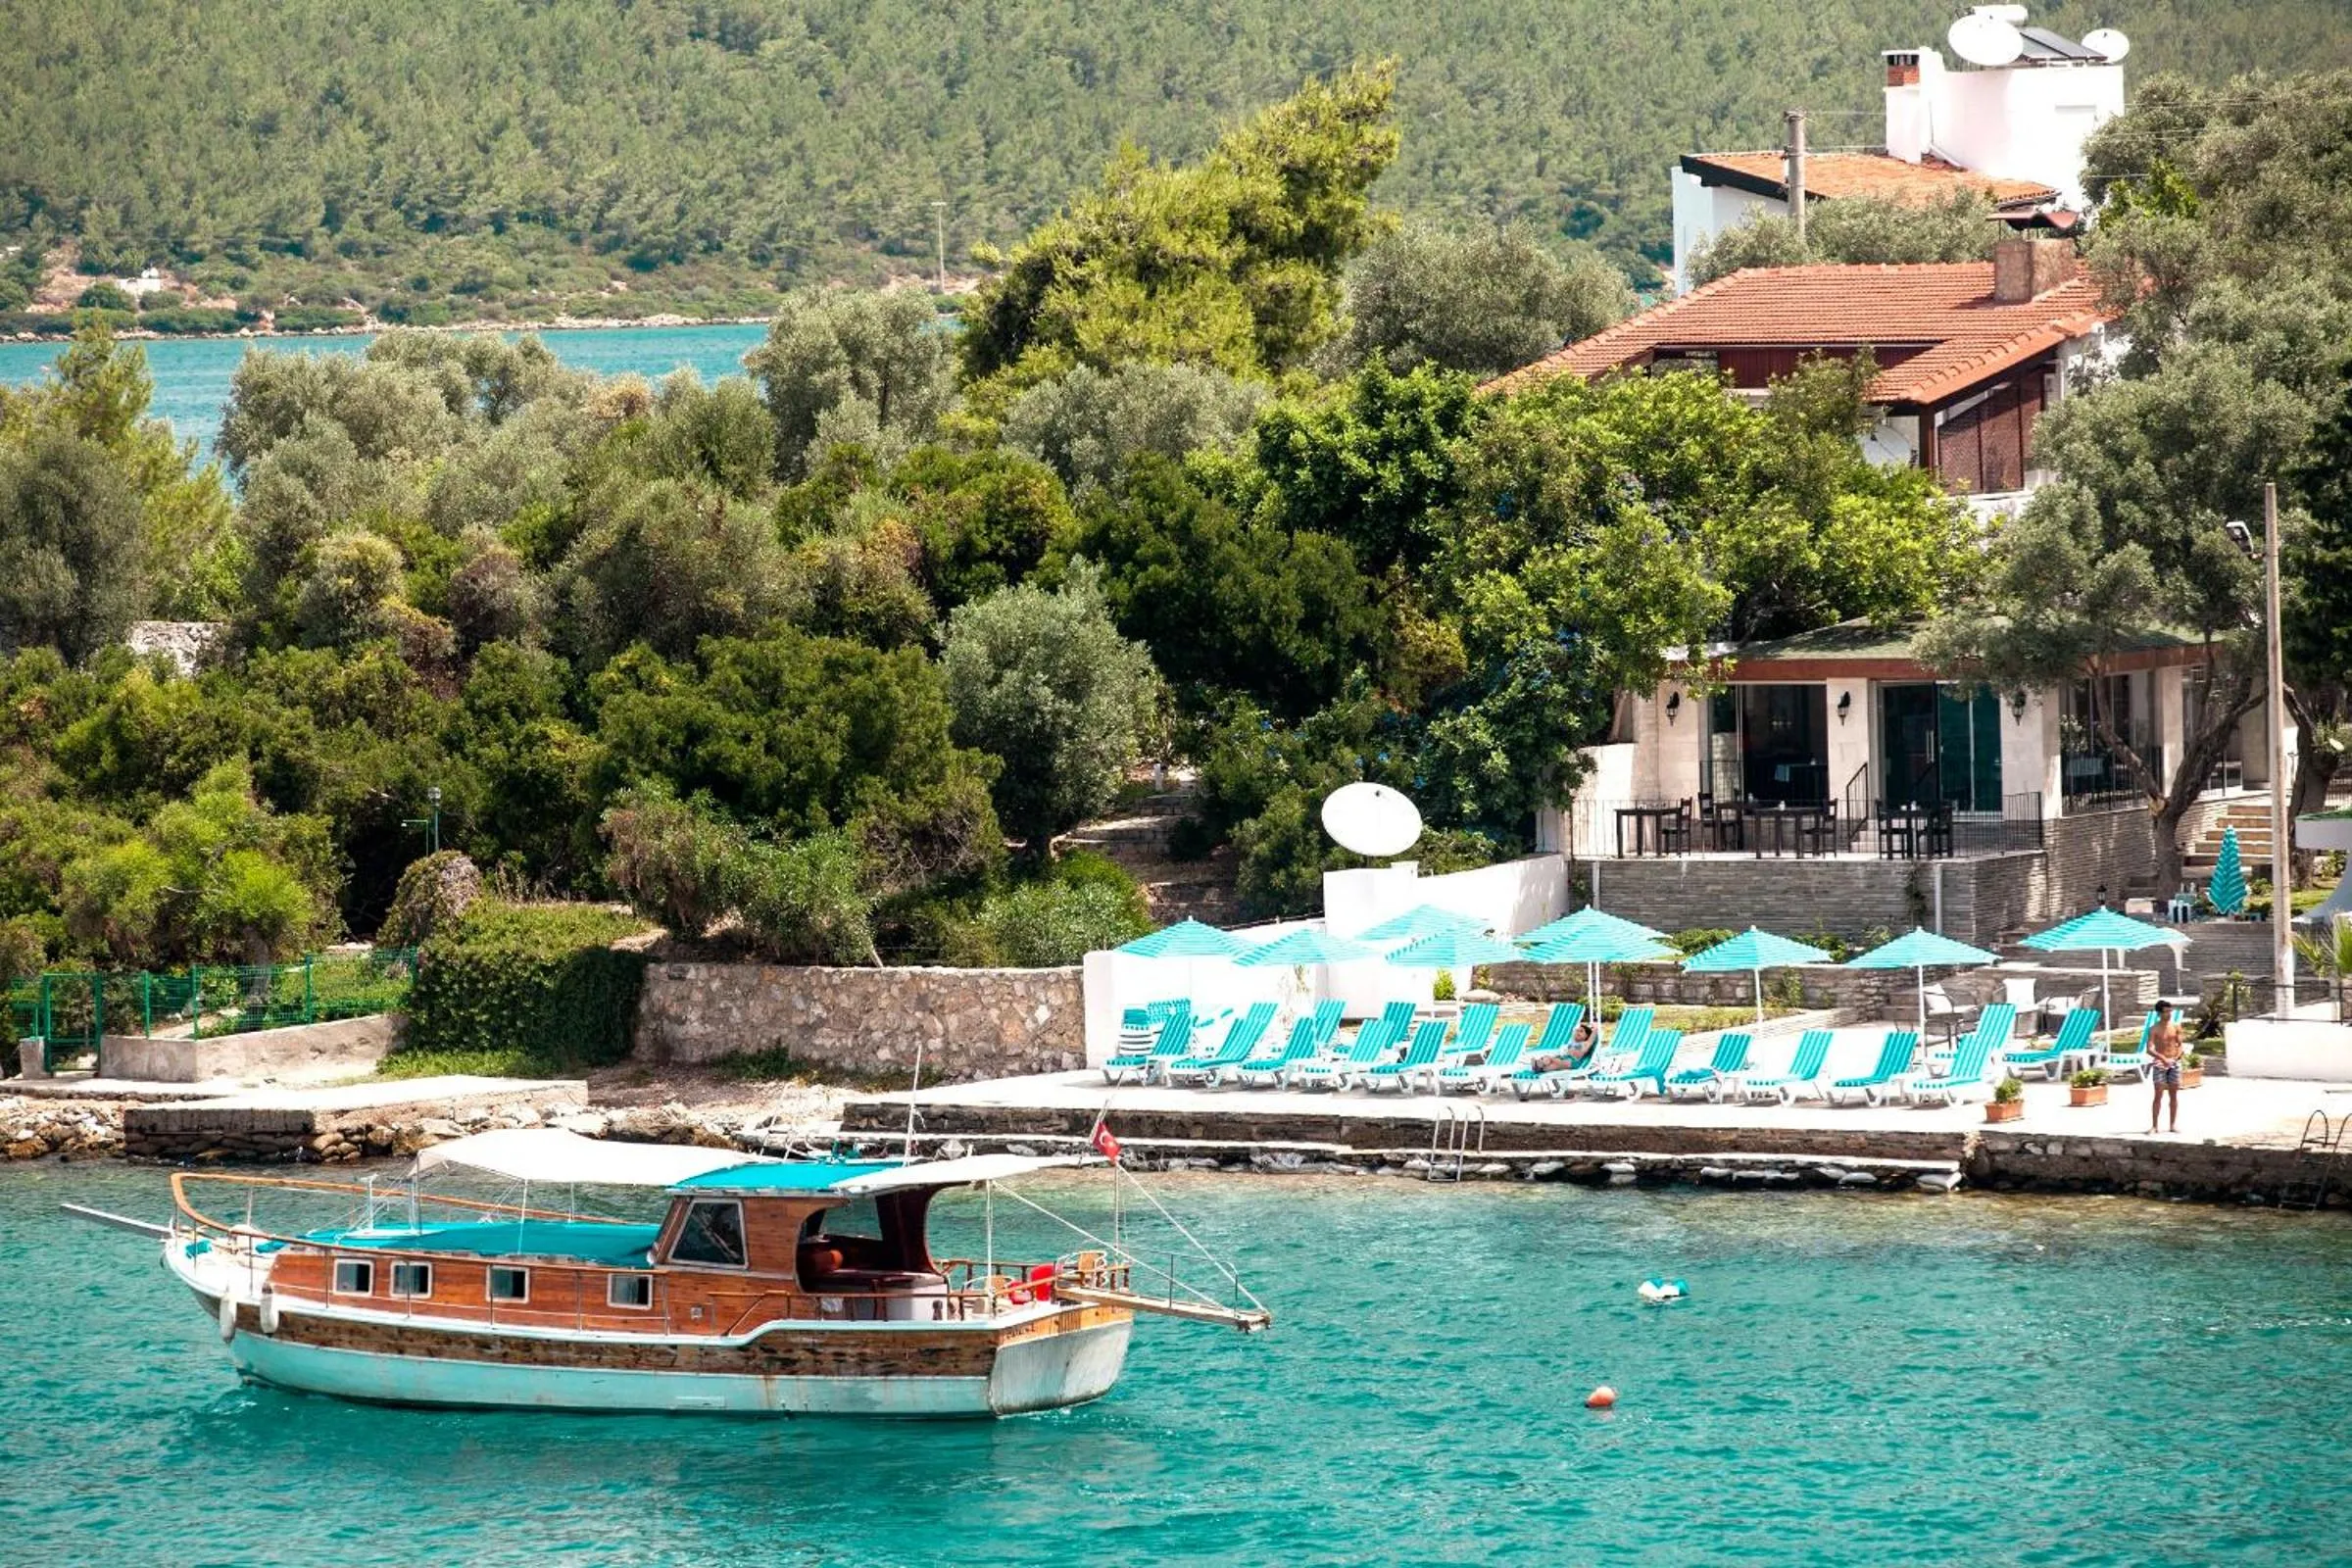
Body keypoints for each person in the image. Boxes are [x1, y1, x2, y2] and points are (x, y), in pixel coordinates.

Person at [2147, 1000, 2185, 1134]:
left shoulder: (2176, 1026)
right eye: (2166, 1012)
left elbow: (2180, 1045)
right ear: (2159, 1013)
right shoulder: (2154, 1029)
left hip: (2174, 1063)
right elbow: (2149, 1049)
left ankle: (2172, 1124)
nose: (2169, 1014)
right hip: (2160, 1063)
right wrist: (2163, 1059)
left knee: (2173, 1095)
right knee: (2158, 1095)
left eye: (2170, 1011)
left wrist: (2175, 1058)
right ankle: (2154, 1125)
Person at [1530, 1017, 1599, 1074]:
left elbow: (1592, 1038)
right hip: (1565, 1058)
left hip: (1573, 1062)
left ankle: (1539, 1064)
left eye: (1581, 1031)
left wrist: (1595, 1028)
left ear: (1587, 1036)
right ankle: (1540, 1067)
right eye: (1577, 1031)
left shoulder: (1585, 1044)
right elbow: (1573, 1033)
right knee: (1552, 1064)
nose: (1578, 1032)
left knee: (1553, 1060)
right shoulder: (1572, 1042)